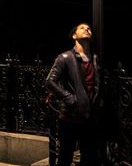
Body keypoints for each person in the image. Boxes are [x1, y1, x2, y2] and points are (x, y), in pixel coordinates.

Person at [45, 22, 105, 166]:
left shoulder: (95, 59)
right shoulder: (65, 57)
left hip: (89, 117)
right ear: (74, 36)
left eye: (89, 28)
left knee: (89, 157)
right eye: (82, 28)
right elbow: (50, 82)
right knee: (65, 157)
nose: (87, 29)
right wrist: (70, 99)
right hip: (70, 118)